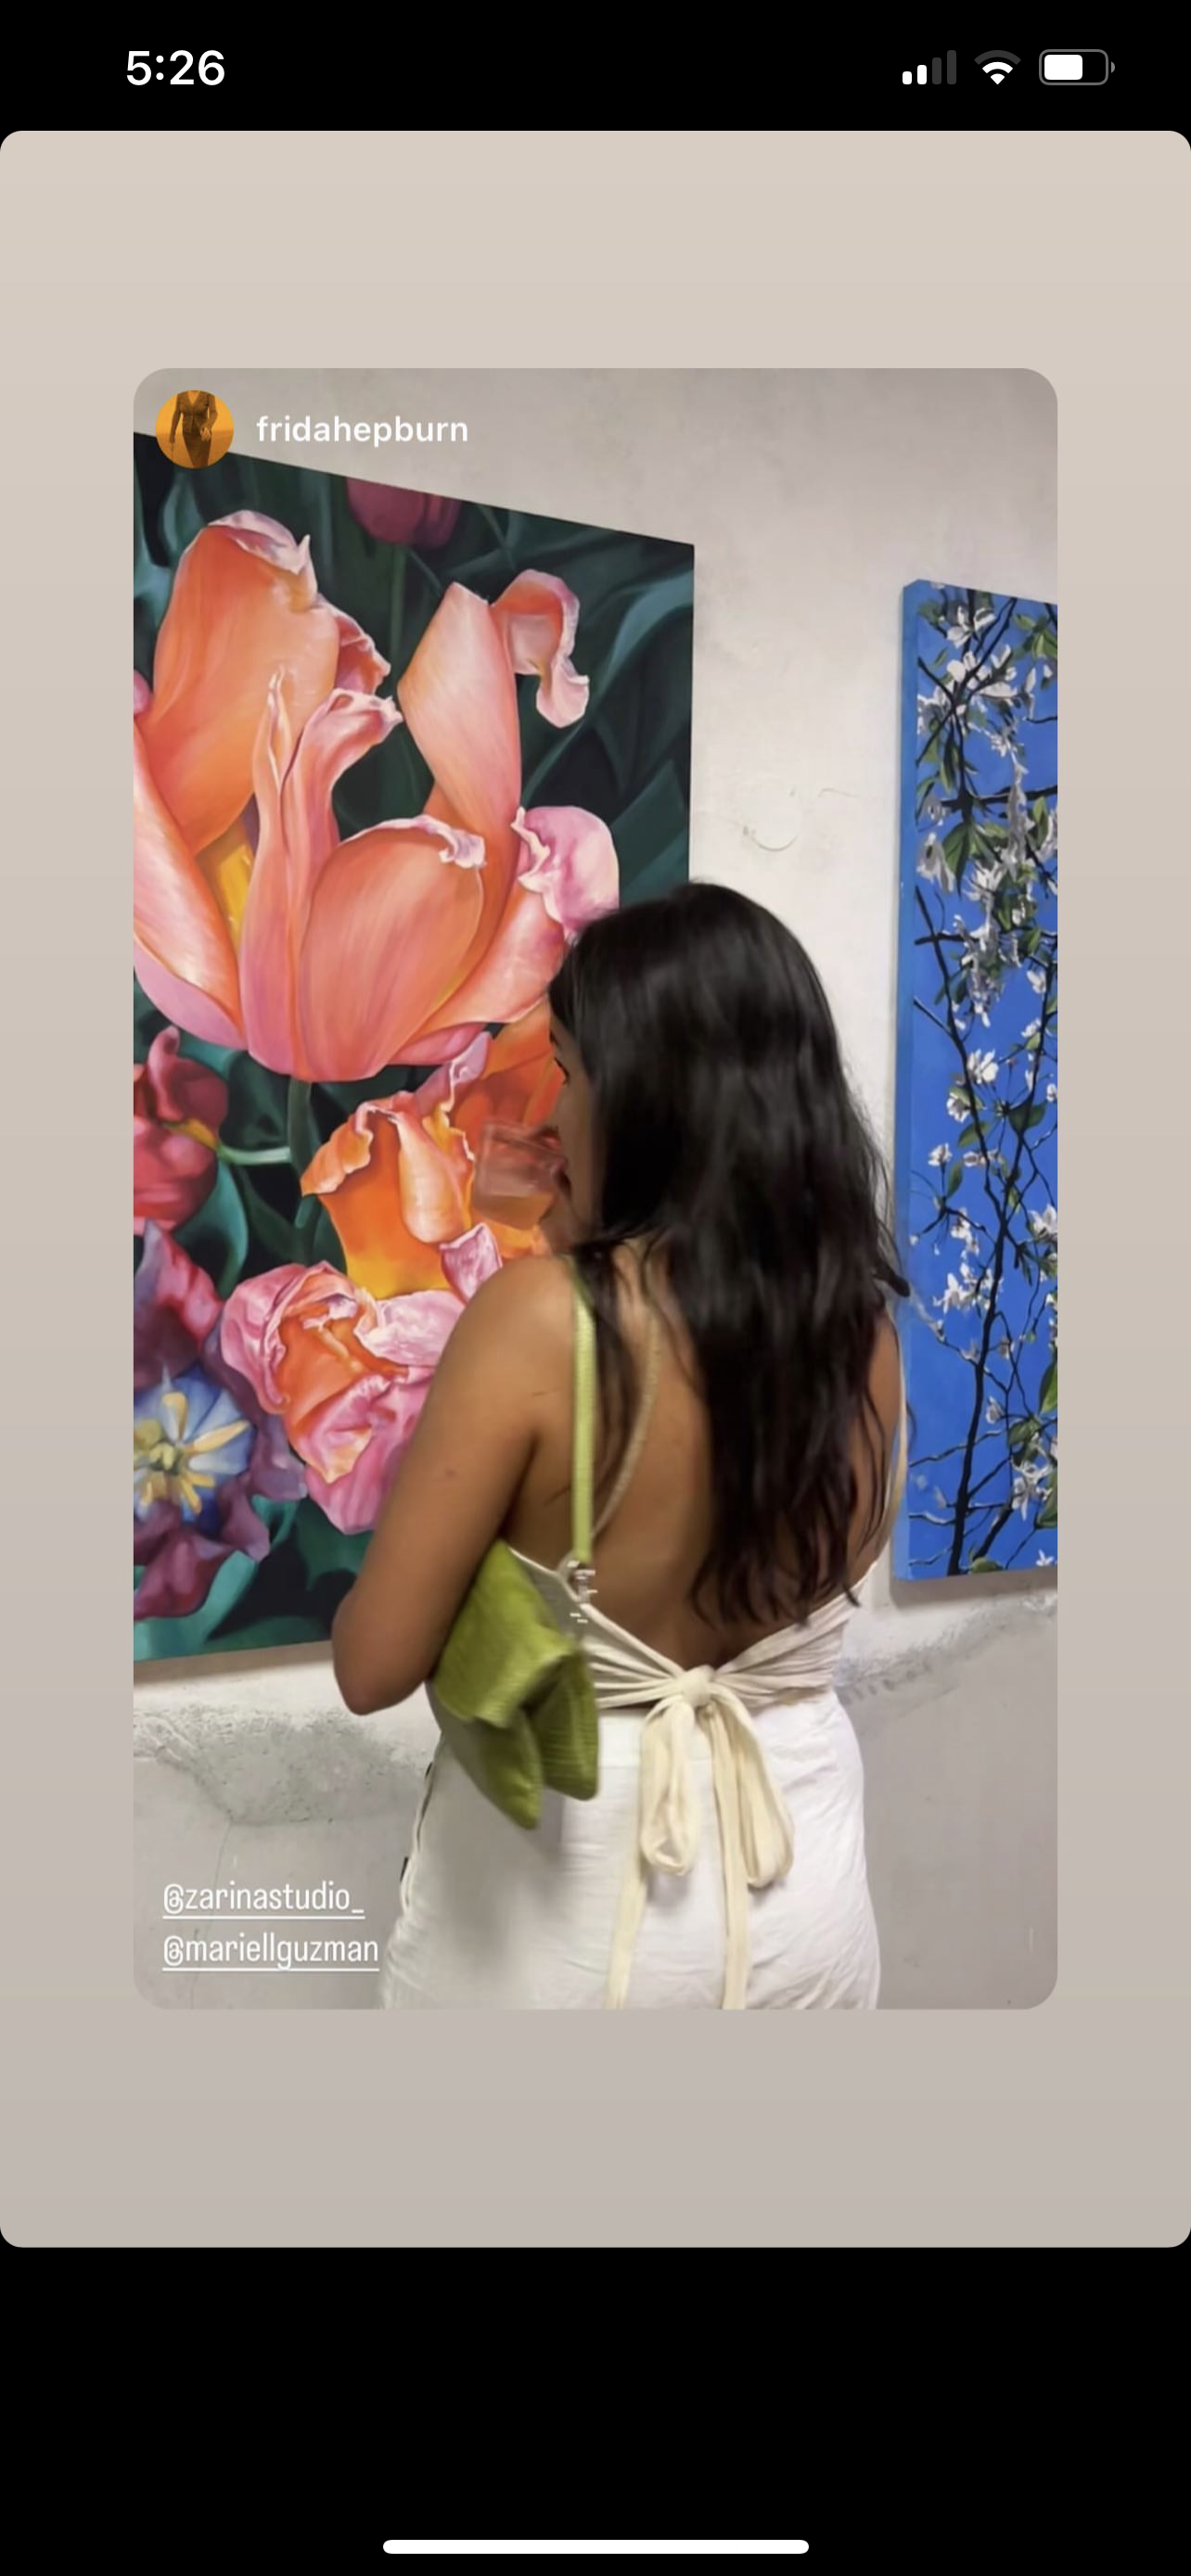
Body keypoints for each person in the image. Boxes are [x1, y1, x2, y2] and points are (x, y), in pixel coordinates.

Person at [333, 883, 907, 2010]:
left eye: (570, 1071)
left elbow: (372, 1664)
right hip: (805, 1908)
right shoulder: (862, 1337)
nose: (553, 1115)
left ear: (647, 1097)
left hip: (575, 1931)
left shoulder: (539, 1323)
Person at [168, 389, 220, 467]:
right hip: (187, 435)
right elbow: (177, 413)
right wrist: (172, 435)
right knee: (195, 463)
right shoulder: (181, 394)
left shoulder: (208, 393)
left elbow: (214, 413)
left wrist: (208, 426)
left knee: (202, 463)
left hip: (204, 435)